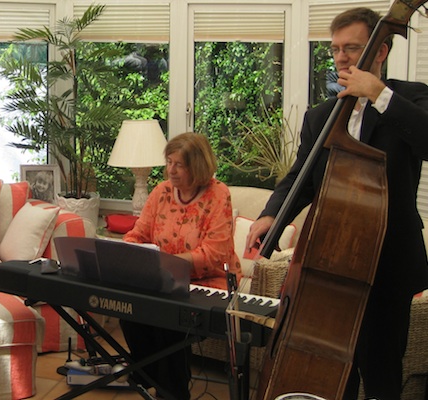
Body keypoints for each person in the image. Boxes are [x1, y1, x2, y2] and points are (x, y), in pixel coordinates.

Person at [244, 7, 428, 399]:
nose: (342, 58)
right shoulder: (321, 116)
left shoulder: (409, 99)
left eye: (353, 48)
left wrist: (377, 94)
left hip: (388, 264)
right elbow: (301, 177)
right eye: (336, 50)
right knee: (333, 372)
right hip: (332, 263)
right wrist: (271, 215)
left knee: (381, 373)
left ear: (381, 50)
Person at [121, 132, 241, 400]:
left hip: (207, 281)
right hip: (163, 278)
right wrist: (132, 249)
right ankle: (149, 375)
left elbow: (214, 253)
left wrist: (168, 263)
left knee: (170, 320)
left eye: (179, 165)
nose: (170, 171)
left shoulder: (217, 194)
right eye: (169, 162)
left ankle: (170, 390)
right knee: (128, 307)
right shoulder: (161, 191)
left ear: (197, 166)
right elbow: (136, 234)